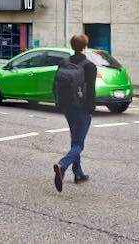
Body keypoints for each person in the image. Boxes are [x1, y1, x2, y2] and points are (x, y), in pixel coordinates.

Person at [52, 34, 96, 192]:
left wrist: (58, 102)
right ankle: (62, 165)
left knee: (74, 139)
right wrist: (91, 108)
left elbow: (54, 83)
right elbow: (91, 90)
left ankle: (78, 174)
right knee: (78, 144)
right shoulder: (89, 66)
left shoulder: (64, 62)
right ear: (85, 47)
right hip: (81, 108)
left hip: (66, 106)